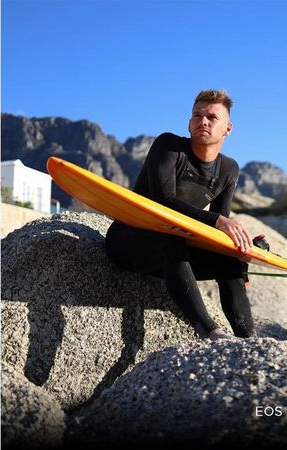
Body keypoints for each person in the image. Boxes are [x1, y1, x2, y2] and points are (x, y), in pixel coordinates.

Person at [105, 89, 261, 341]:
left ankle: (248, 339)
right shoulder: (169, 146)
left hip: (173, 258)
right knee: (172, 237)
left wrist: (241, 251)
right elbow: (163, 203)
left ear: (228, 129)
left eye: (212, 117)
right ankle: (209, 331)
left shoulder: (229, 169)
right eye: (197, 115)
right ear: (189, 123)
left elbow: (215, 234)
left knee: (228, 261)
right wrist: (219, 221)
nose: (203, 121)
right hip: (129, 242)